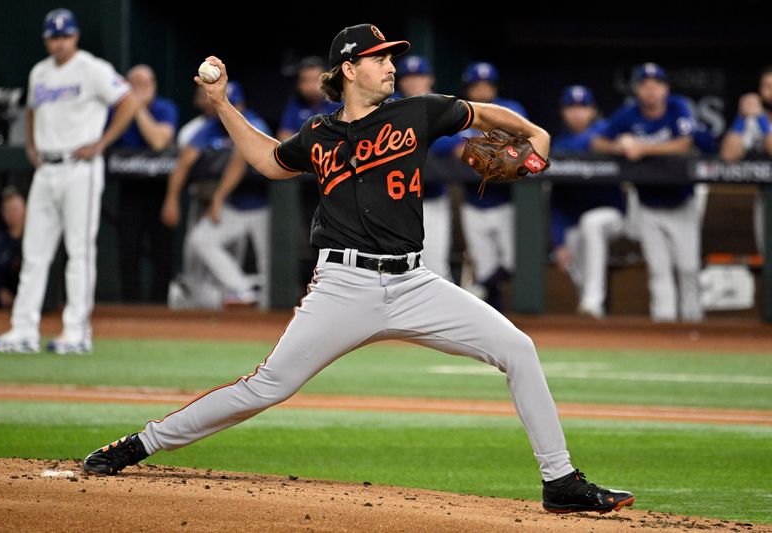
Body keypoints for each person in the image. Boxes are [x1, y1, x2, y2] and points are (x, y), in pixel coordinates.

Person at [83, 24, 634, 515]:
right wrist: (224, 105)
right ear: (349, 69)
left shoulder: (418, 110)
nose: (391, 65)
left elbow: (486, 115)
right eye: (379, 57)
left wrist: (535, 135)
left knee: (518, 348)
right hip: (343, 286)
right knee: (267, 386)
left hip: (413, 282)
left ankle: (559, 481)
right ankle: (142, 443)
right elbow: (271, 161)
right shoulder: (319, 134)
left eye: (391, 57)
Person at [0, 8, 138, 354]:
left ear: (76, 36)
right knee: (34, 253)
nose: (59, 42)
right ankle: (23, 329)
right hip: (47, 167)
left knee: (79, 251)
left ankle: (77, 332)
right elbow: (30, 110)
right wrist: (30, 143)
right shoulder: (39, 72)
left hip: (79, 166)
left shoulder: (91, 68)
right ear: (46, 39)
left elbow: (128, 100)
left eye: (65, 36)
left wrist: (102, 142)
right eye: (54, 37)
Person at [592, 63, 702, 322]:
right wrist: (619, 146)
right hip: (648, 204)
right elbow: (598, 142)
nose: (651, 91)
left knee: (688, 268)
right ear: (638, 90)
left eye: (656, 85)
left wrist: (642, 148)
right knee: (659, 270)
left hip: (681, 202)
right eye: (645, 85)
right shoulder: (630, 113)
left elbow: (685, 144)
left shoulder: (678, 107)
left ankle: (694, 324)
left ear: (665, 89)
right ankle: (664, 327)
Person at [161, 82, 271, 308]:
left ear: (240, 104)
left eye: (230, 103)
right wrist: (171, 199)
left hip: (264, 206)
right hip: (235, 205)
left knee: (270, 265)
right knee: (201, 239)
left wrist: (217, 198)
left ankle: (273, 317)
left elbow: (239, 162)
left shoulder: (253, 122)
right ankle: (243, 290)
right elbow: (184, 162)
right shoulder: (212, 125)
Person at [457, 62, 528, 309]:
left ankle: (479, 289)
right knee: (485, 264)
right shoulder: (460, 111)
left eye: (487, 84)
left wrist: (475, 145)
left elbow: (523, 138)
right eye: (476, 85)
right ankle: (494, 313)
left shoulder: (511, 108)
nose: (482, 89)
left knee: (513, 261)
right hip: (472, 201)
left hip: (506, 200)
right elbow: (445, 146)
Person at [551, 86, 625, 318]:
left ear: (592, 111)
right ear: (563, 112)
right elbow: (556, 202)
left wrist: (603, 143)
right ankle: (592, 312)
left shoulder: (605, 131)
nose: (577, 113)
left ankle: (593, 301)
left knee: (590, 222)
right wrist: (559, 242)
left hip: (618, 218)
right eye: (571, 107)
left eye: (583, 107)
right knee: (574, 238)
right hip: (579, 224)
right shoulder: (560, 146)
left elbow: (613, 138)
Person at [112, 64, 179, 303]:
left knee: (162, 252)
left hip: (159, 189)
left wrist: (138, 107)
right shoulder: (117, 109)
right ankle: (131, 307)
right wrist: (131, 104)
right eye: (136, 84)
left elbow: (159, 141)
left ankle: (159, 309)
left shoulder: (164, 107)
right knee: (128, 251)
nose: (142, 89)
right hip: (129, 189)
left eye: (146, 83)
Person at [394, 55, 453, 281]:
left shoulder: (442, 105)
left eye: (419, 77)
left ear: (430, 79)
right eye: (408, 77)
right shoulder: (390, 106)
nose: (413, 82)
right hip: (396, 202)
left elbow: (455, 140)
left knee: (437, 268)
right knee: (398, 269)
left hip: (433, 200)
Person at [720, 66, 772, 255]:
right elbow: (728, 155)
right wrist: (741, 118)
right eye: (766, 86)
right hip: (765, 196)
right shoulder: (752, 121)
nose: (770, 92)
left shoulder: (759, 120)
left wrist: (762, 121)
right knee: (767, 255)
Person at [277, 56, 341, 141]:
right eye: (305, 80)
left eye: (315, 80)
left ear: (326, 81)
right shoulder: (294, 105)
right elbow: (284, 137)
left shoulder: (338, 103)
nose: (311, 86)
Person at [0, 187, 26, 308]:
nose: (11, 214)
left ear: (25, 209)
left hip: (31, 302)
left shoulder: (34, 240)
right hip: (2, 307)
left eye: (15, 209)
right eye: (7, 210)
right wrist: (1, 291)